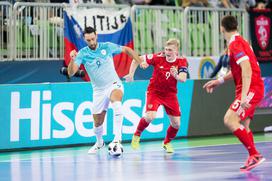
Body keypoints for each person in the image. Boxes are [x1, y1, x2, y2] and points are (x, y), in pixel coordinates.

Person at [68, 26, 145, 154]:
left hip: (113, 84)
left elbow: (127, 49)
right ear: (84, 39)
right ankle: (99, 143)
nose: (92, 42)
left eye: (93, 39)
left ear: (96, 35)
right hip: (98, 90)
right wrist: (72, 60)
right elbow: (71, 73)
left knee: (117, 104)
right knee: (97, 122)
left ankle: (117, 139)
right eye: (88, 40)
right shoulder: (82, 53)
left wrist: (140, 61)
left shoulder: (107, 46)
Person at [203, 15, 265, 172]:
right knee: (244, 125)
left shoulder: (235, 44)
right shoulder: (243, 42)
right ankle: (253, 156)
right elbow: (242, 68)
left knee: (230, 119)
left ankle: (255, 155)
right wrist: (219, 81)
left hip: (251, 88)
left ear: (221, 28)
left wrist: (244, 96)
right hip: (252, 87)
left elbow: (247, 69)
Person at [126, 38, 188, 153]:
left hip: (170, 94)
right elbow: (137, 59)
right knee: (150, 116)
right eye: (166, 49)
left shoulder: (181, 61)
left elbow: (183, 79)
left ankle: (166, 142)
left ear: (176, 52)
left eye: (170, 50)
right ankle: (137, 134)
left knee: (176, 124)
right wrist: (131, 74)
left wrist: (176, 76)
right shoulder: (158, 57)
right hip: (155, 92)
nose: (167, 52)